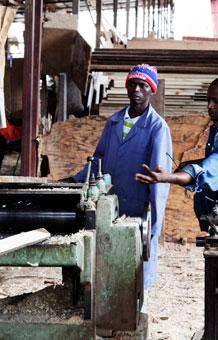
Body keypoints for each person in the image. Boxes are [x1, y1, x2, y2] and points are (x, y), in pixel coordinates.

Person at [135, 75, 218, 338]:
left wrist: (170, 178)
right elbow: (205, 161)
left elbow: (212, 168)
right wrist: (181, 168)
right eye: (208, 101)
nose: (209, 107)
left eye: (216, 101)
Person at [69, 64, 173, 289]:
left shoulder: (157, 128)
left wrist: (152, 227)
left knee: (135, 270)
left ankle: (135, 313)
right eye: (132, 84)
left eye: (143, 86)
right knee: (108, 264)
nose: (137, 90)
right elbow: (98, 159)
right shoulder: (114, 122)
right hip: (110, 206)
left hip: (137, 208)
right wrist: (75, 180)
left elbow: (159, 180)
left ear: (151, 90)